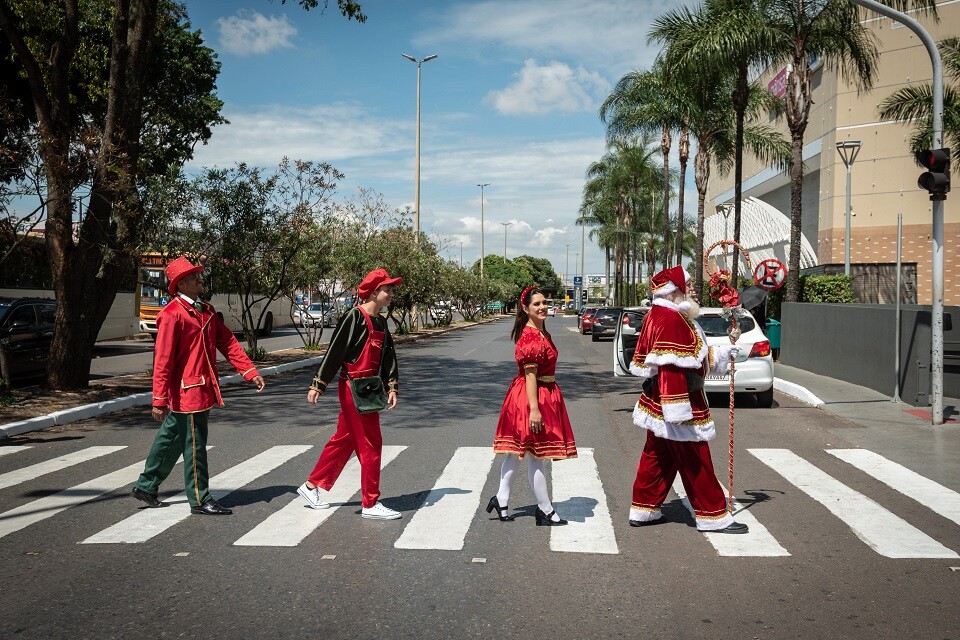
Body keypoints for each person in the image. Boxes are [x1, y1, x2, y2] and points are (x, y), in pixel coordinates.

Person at [131, 256, 266, 515]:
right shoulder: (172, 315)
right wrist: (158, 399)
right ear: (181, 284)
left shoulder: (206, 310)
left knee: (170, 439)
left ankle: (146, 485)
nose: (198, 279)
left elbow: (227, 342)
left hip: (200, 390)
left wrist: (249, 372)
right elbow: (162, 361)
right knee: (195, 447)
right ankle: (200, 498)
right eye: (193, 276)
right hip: (187, 393)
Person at [627, 265, 748, 534]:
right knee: (696, 459)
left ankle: (644, 508)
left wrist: (724, 354)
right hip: (677, 402)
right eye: (688, 284)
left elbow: (690, 357)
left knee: (658, 455)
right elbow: (671, 368)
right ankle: (712, 515)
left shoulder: (665, 314)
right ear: (674, 291)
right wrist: (678, 411)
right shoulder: (670, 319)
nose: (693, 288)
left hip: (662, 401)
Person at [298, 268, 402, 520]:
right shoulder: (354, 317)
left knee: (344, 440)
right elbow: (335, 352)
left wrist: (392, 386)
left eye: (391, 289)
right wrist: (318, 384)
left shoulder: (381, 321)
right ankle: (370, 503)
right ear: (375, 292)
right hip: (354, 389)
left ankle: (311, 486)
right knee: (371, 443)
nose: (391, 294)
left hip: (370, 388)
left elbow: (388, 355)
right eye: (387, 289)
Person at [487, 285, 578, 526]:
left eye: (544, 303)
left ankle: (501, 499)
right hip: (532, 397)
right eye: (536, 304)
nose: (542, 307)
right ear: (525, 308)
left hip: (537, 394)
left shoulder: (540, 332)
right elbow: (530, 376)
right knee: (537, 456)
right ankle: (545, 510)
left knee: (518, 453)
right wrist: (535, 410)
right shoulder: (530, 337)